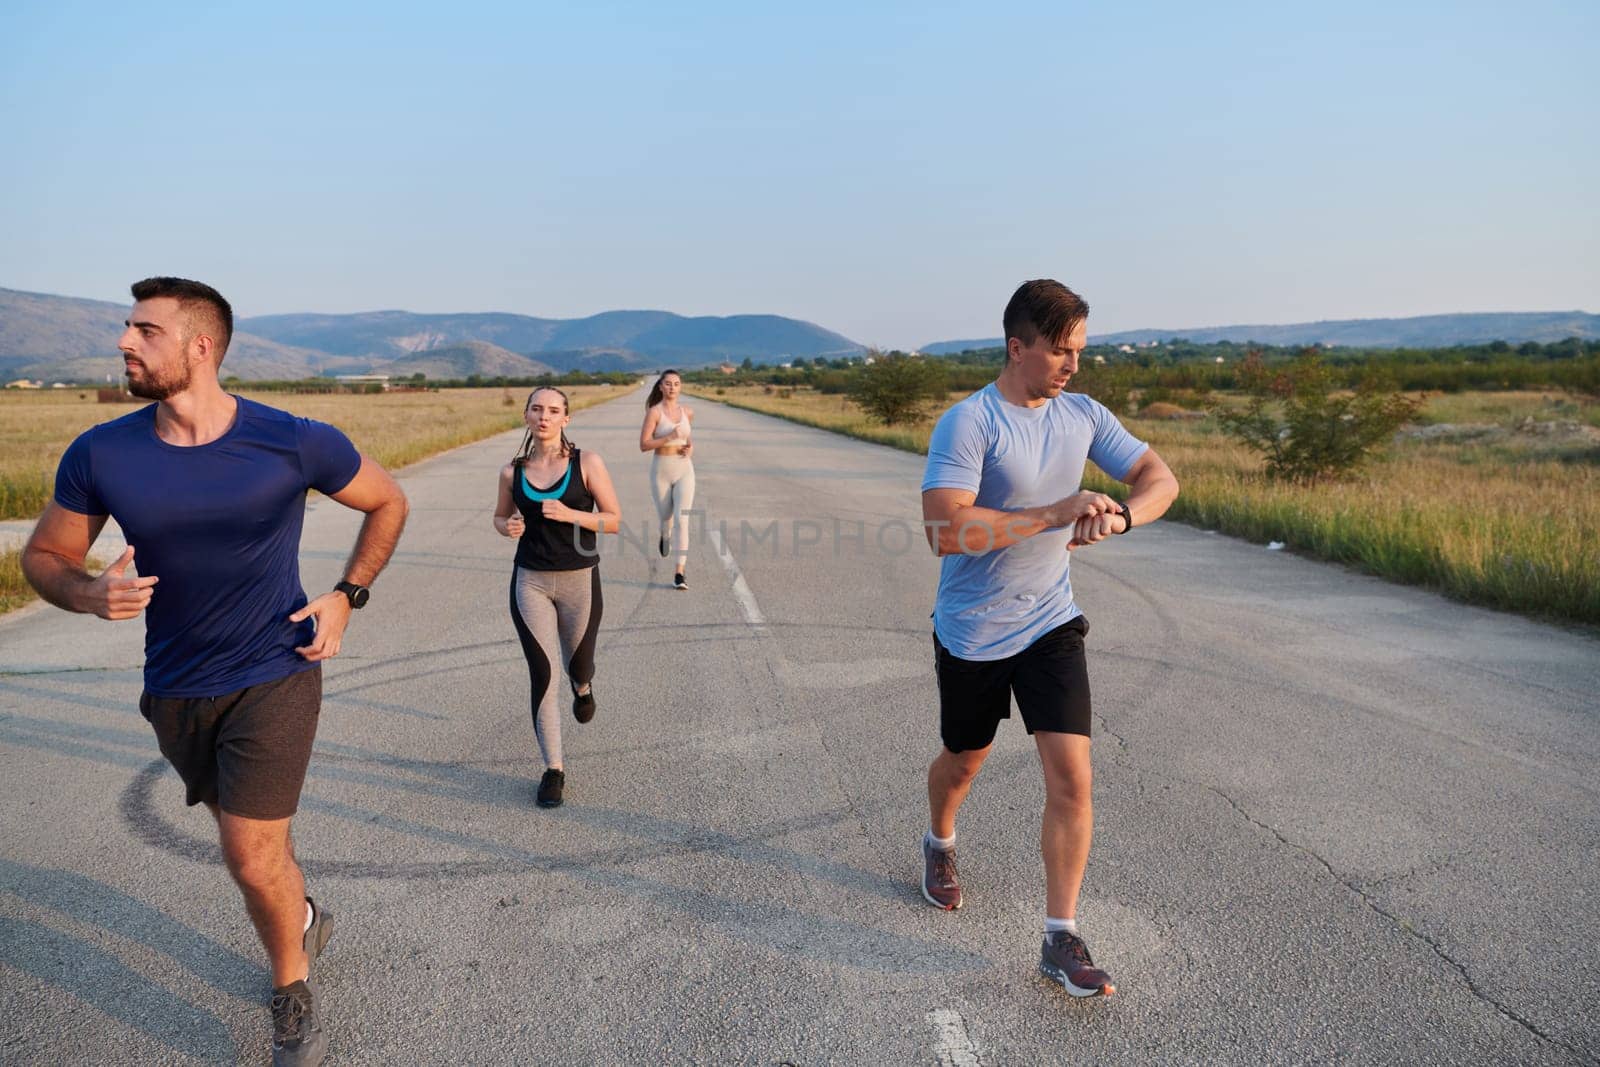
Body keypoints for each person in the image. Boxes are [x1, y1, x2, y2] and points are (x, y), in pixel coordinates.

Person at [22, 277, 409, 1065]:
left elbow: (388, 500)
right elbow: (44, 556)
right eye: (126, 329)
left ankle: (290, 988)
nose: (125, 343)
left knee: (248, 851)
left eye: (145, 331)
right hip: (174, 689)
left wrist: (346, 595)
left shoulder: (291, 439)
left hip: (278, 668)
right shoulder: (103, 451)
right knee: (257, 854)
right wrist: (89, 592)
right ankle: (300, 915)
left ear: (200, 347)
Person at [918, 279, 1179, 998]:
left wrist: (1121, 516)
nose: (1073, 365)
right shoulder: (969, 422)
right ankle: (940, 840)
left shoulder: (1083, 414)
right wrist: (1055, 511)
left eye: (1079, 351)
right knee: (965, 761)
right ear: (1017, 347)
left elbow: (1162, 479)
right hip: (973, 630)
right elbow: (947, 530)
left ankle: (1060, 935)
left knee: (1072, 776)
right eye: (1060, 351)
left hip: (1049, 621)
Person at [494, 387, 621, 808]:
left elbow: (614, 520)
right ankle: (553, 769)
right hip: (529, 580)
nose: (544, 416)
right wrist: (506, 526)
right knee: (543, 672)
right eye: (537, 409)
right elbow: (500, 516)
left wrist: (571, 515)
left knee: (577, 663)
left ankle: (583, 687)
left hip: (579, 580)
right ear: (526, 416)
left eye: (553, 410)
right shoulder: (513, 472)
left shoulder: (587, 463)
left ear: (566, 418)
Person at [638, 369, 695, 589]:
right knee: (666, 516)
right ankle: (664, 533)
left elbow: (689, 439)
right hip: (661, 469)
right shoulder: (654, 412)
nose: (672, 387)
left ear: (681, 387)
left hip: (684, 469)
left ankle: (679, 572)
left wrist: (690, 449)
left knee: (683, 519)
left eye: (677, 384)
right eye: (668, 383)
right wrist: (669, 437)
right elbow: (644, 445)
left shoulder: (687, 412)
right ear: (661, 387)